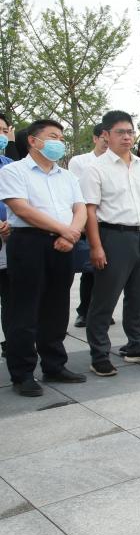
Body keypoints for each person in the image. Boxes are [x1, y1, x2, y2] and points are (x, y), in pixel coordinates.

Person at [0, 119, 88, 396]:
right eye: (52, 137)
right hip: (28, 243)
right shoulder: (14, 171)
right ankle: (22, 373)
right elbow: (21, 209)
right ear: (33, 141)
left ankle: (54, 364)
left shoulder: (67, 176)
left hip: (63, 244)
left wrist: (71, 234)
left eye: (61, 137)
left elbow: (80, 208)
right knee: (24, 309)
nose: (58, 142)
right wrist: (65, 230)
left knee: (57, 306)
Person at [80, 111, 140, 376]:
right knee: (104, 299)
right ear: (105, 135)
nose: (127, 137)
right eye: (120, 132)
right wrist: (96, 246)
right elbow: (90, 210)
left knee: (139, 297)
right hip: (113, 237)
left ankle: (137, 345)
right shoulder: (95, 168)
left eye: (130, 132)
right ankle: (99, 354)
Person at [69, 123, 108, 328]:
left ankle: (103, 310)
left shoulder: (120, 162)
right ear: (95, 138)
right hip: (88, 220)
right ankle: (84, 311)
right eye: (103, 139)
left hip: (110, 222)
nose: (107, 143)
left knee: (109, 271)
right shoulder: (80, 161)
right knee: (90, 269)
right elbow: (78, 193)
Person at [0, 121, 14, 360]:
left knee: (12, 301)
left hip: (9, 242)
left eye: (4, 131)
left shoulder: (11, 166)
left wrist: (12, 222)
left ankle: (13, 346)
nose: (2, 135)